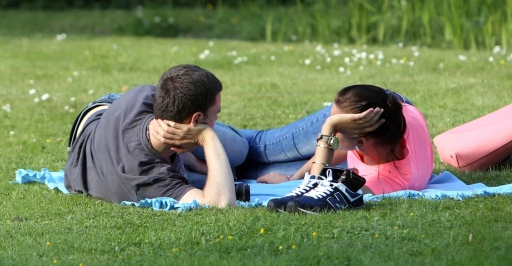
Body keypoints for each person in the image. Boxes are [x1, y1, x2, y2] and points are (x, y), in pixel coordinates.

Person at [151, 84, 434, 196]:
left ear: (361, 143)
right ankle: (171, 113)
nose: (329, 132)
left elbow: (320, 178)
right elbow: (327, 161)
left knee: (249, 171)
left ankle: (193, 159)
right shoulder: (392, 116)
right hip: (362, 102)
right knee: (258, 147)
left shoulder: (380, 182)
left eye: (334, 129)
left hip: (357, 117)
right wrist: (333, 122)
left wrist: (290, 180)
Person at [64, 64, 245, 207]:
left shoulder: (145, 95)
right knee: (241, 151)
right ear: (196, 120)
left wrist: (199, 161)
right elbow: (222, 204)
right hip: (102, 128)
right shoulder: (148, 179)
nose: (218, 117)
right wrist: (207, 137)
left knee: (237, 154)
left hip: (115, 110)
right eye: (217, 112)